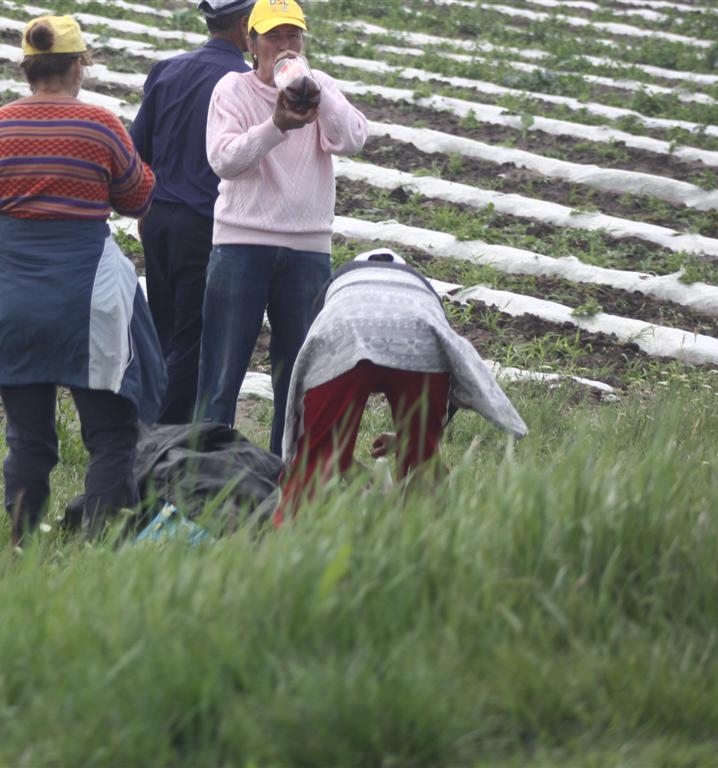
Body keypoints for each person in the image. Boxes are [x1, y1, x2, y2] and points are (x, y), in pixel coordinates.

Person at [0, 15, 165, 547]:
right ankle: (99, 541)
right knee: (111, 433)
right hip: (85, 301)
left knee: (28, 436)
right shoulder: (102, 127)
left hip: (14, 297)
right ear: (77, 67)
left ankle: (22, 543)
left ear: (26, 69)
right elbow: (137, 199)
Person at [195, 0, 368, 456]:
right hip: (241, 244)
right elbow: (225, 160)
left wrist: (315, 89)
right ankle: (206, 478)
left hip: (307, 249)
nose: (285, 46)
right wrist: (275, 125)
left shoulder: (320, 86)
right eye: (274, 37)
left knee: (297, 377)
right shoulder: (232, 90)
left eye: (294, 36)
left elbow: (353, 137)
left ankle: (283, 483)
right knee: (222, 373)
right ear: (251, 43)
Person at [273, 249, 529, 524]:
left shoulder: (335, 288)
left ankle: (288, 540)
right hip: (419, 339)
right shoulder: (420, 287)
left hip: (344, 333)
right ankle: (424, 538)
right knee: (423, 460)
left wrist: (334, 455)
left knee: (316, 461)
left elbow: (316, 401)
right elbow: (450, 367)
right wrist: (417, 437)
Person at [129, 0, 256, 425]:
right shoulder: (244, 82)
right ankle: (163, 442)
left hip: (157, 219)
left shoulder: (166, 70)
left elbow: (137, 150)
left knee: (163, 332)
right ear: (244, 26)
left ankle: (146, 428)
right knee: (192, 340)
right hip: (205, 224)